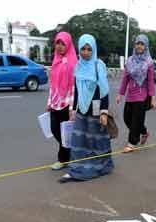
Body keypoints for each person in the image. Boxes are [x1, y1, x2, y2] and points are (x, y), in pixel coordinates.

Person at [58, 34, 114, 183]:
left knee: (96, 139)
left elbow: (104, 90)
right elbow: (76, 89)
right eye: (83, 49)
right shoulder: (78, 66)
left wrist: (104, 111)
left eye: (89, 49)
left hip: (96, 108)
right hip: (82, 108)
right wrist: (73, 109)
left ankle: (101, 165)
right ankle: (77, 168)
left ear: (94, 50)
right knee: (79, 139)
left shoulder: (98, 65)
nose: (86, 52)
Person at [116, 34, 156, 153]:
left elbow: (150, 82)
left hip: (142, 96)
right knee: (127, 118)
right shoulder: (130, 60)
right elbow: (125, 78)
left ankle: (132, 143)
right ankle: (144, 132)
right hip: (130, 95)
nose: (139, 46)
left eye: (142, 44)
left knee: (135, 120)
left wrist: (153, 97)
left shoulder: (148, 62)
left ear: (146, 46)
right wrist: (120, 94)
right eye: (137, 43)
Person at [47, 32, 78, 171]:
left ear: (68, 44)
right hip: (55, 103)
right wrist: (49, 102)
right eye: (57, 43)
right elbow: (52, 85)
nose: (59, 46)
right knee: (54, 130)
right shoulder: (56, 60)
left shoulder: (73, 62)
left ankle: (63, 159)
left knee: (65, 133)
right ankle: (71, 152)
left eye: (62, 43)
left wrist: (72, 108)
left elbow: (73, 87)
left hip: (67, 104)